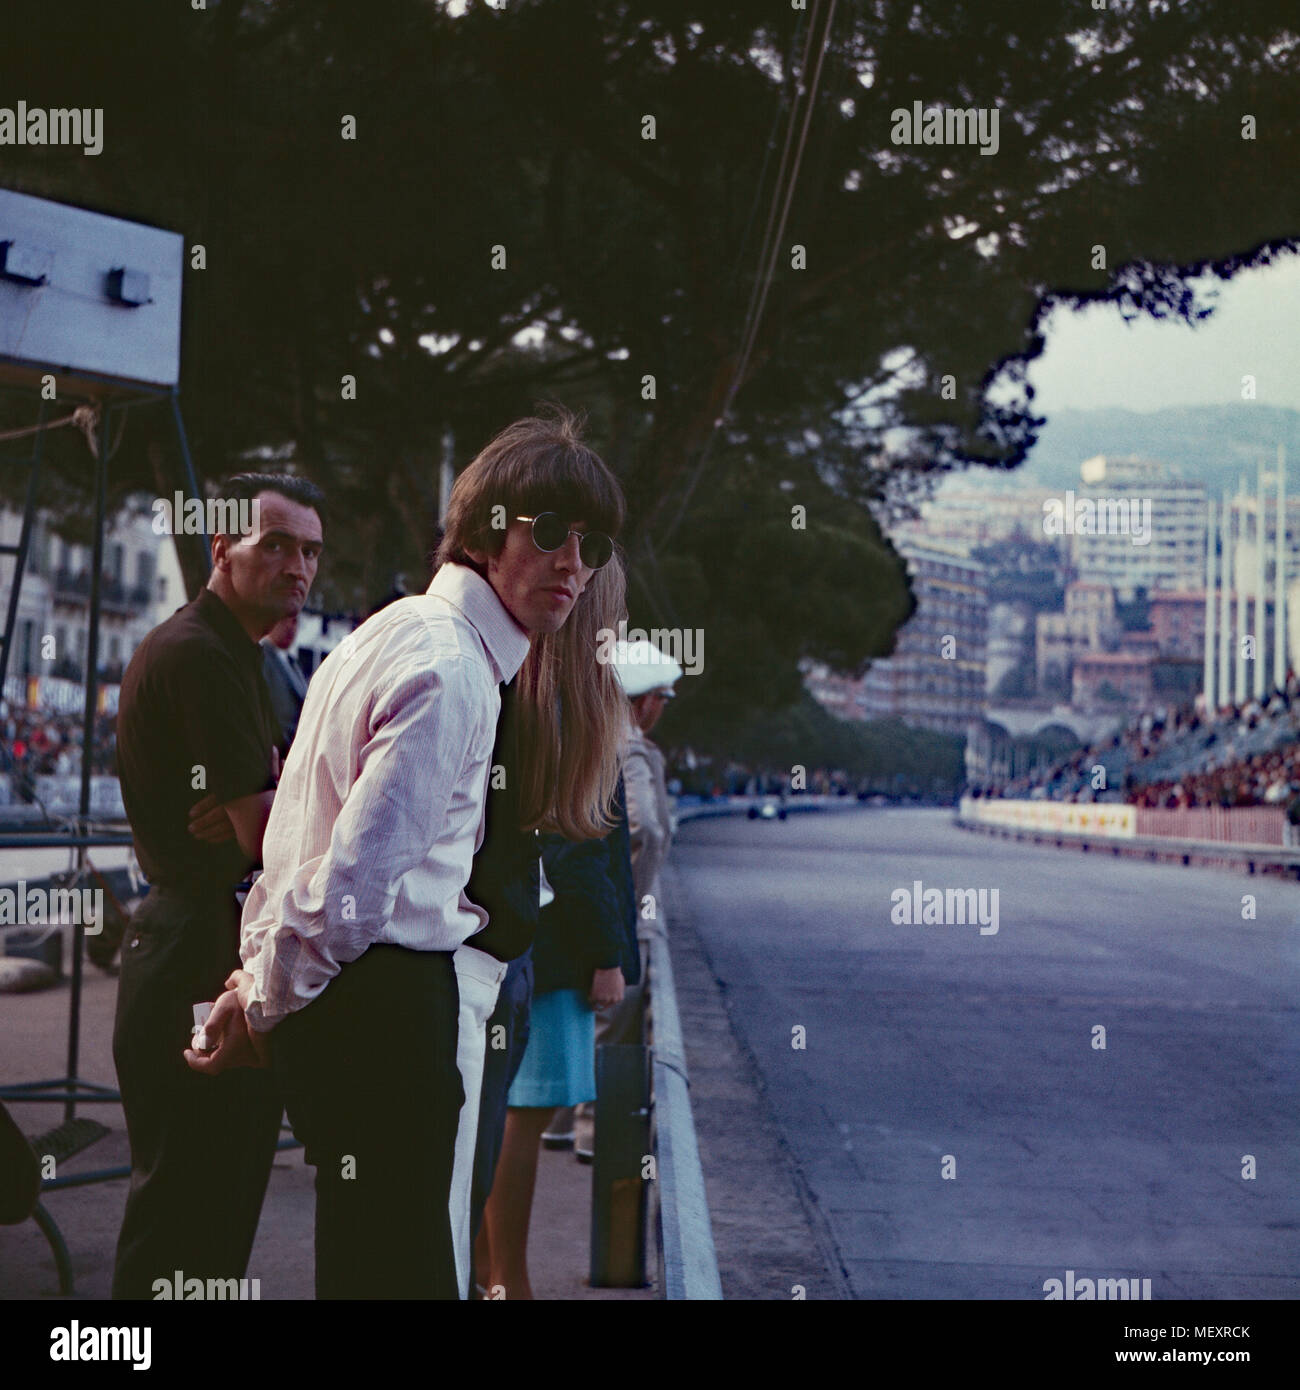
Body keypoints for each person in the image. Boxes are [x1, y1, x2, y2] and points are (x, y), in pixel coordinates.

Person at [187, 409, 629, 1301]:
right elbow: (350, 886)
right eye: (548, 531)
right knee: (405, 1274)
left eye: (594, 542)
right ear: (484, 531)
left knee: (370, 1268)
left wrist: (257, 985)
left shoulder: (392, 633)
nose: (573, 562)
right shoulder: (454, 670)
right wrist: (262, 1001)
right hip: (389, 1015)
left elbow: (295, 846)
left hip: (362, 1007)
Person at [110, 473, 324, 1300]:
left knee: (214, 1215)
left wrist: (278, 796)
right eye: (275, 544)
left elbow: (274, 820)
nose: (297, 566)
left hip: (213, 946)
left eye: (309, 549)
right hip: (193, 958)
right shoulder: (201, 654)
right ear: (221, 547)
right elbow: (270, 835)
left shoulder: (247, 658)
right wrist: (274, 803)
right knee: (183, 1218)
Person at [477, 785, 639, 1300]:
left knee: (501, 1115)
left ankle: (484, 1271)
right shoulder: (575, 712)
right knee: (522, 1118)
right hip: (555, 953)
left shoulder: (528, 707)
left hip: (516, 940)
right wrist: (608, 954)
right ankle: (507, 1281)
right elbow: (577, 853)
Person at [549, 637, 681, 1160]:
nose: (662, 711)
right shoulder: (630, 750)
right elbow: (643, 827)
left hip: (590, 907)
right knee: (612, 1019)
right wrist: (632, 897)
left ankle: (556, 1122)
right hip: (621, 911)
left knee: (586, 1016)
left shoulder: (591, 739)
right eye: (662, 700)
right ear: (644, 701)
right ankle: (587, 1131)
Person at [260, 611, 311, 756]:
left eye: (295, 621)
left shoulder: (293, 664)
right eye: (285, 619)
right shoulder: (261, 659)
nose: (290, 626)